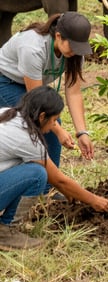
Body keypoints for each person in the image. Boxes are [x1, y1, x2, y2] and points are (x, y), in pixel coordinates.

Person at [0, 86, 108, 250]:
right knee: (37, 174)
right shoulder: (27, 140)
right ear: (42, 116)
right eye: (54, 121)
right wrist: (94, 200)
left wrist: (70, 192)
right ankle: (5, 232)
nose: (54, 125)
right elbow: (59, 180)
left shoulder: (7, 113)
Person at [0, 12, 95, 167]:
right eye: (73, 46)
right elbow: (36, 101)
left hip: (30, 85)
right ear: (58, 36)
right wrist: (59, 131)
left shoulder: (76, 54)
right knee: (46, 121)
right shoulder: (33, 48)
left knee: (50, 120)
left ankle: (49, 187)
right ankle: (42, 182)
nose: (76, 51)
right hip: (5, 81)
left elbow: (74, 92)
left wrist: (82, 133)